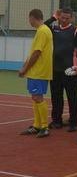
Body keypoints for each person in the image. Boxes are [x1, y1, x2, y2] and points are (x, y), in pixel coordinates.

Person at [46, 8, 77, 131]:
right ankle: (57, 121)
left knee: (73, 97)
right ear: (59, 17)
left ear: (71, 18)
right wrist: (53, 17)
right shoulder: (54, 29)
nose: (64, 20)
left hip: (70, 70)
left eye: (67, 18)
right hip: (55, 70)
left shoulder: (76, 31)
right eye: (62, 17)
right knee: (56, 97)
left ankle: (73, 123)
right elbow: (43, 26)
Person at [19, 9, 53, 138]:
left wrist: (25, 68)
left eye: (29, 19)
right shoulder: (41, 30)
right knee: (35, 97)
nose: (29, 21)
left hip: (39, 71)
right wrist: (25, 67)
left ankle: (44, 126)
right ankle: (37, 125)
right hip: (36, 71)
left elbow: (37, 53)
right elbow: (33, 52)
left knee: (38, 97)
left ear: (32, 18)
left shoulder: (43, 31)